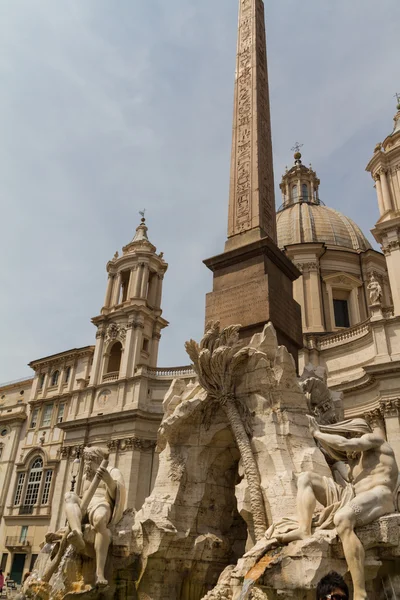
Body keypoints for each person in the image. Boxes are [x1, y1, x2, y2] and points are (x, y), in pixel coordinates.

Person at [276, 417, 399, 600]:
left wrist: (317, 433)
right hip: (354, 496)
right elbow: (340, 462)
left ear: (356, 433)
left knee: (342, 518)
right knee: (306, 478)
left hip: (381, 495)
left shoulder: (375, 440)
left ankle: (360, 592)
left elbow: (345, 444)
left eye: (349, 434)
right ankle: (304, 529)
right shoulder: (353, 464)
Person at [64, 447, 126, 587]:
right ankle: (78, 533)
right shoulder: (86, 477)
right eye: (86, 460)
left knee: (99, 521)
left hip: (101, 503)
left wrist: (109, 481)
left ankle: (99, 572)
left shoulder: (112, 471)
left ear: (98, 460)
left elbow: (119, 494)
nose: (86, 464)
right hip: (85, 504)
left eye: (90, 460)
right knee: (69, 496)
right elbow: (82, 495)